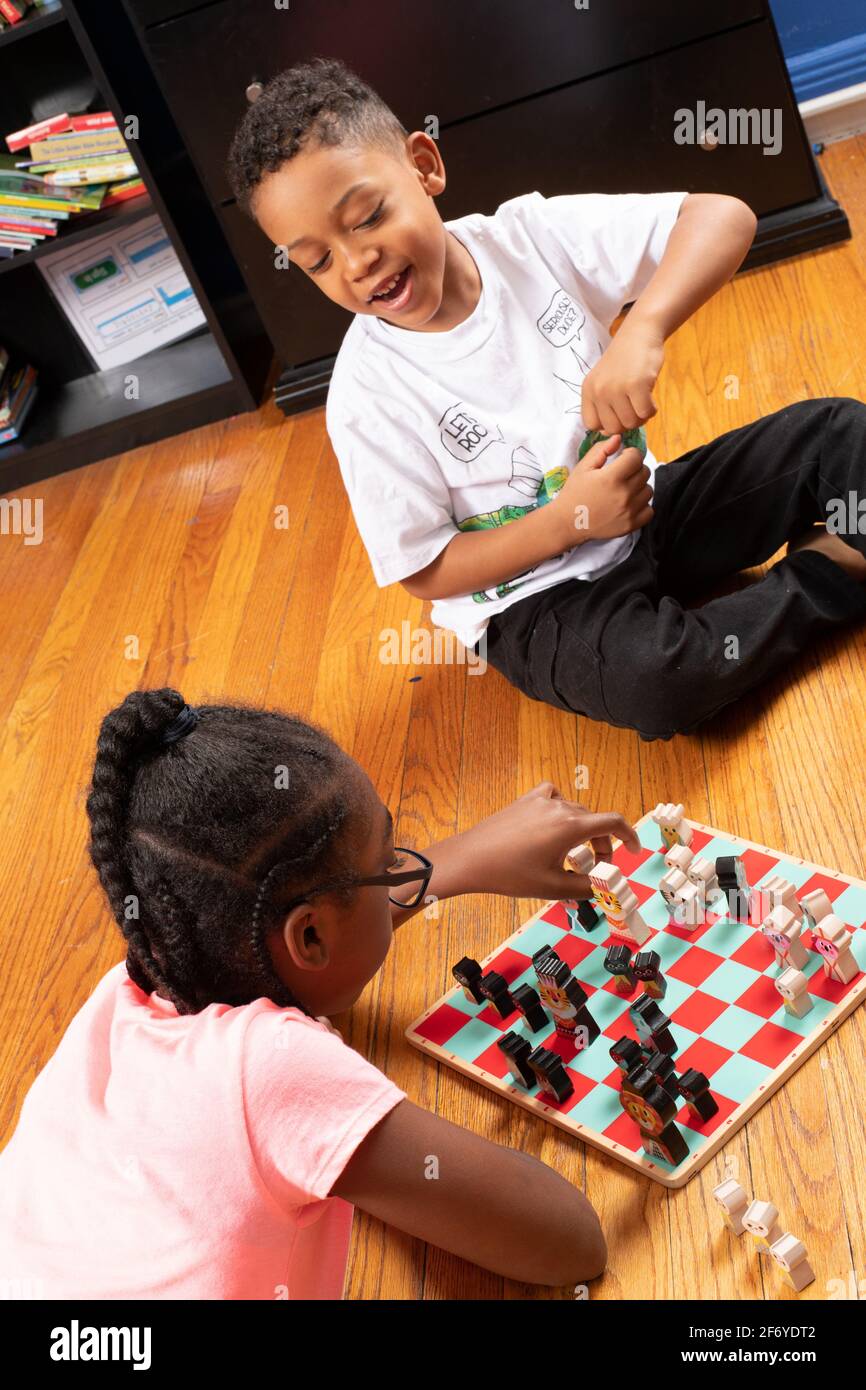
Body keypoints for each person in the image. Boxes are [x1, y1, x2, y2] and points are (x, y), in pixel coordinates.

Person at [227, 57, 866, 741]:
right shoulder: (365, 395)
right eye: (317, 261)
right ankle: (831, 571)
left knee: (839, 432)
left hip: (644, 510)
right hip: (536, 602)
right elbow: (427, 569)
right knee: (660, 682)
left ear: (423, 165)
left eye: (367, 216)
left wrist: (642, 330)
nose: (356, 263)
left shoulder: (528, 238)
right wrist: (568, 522)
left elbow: (722, 218)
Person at [0, 689, 637, 1298]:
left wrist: (461, 860)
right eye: (390, 864)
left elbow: (307, 946)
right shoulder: (266, 1068)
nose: (401, 876)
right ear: (307, 938)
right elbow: (570, 1242)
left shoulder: (139, 984)